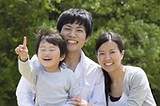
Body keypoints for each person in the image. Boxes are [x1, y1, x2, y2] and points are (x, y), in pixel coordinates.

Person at [16, 8, 105, 106]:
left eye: (79, 30)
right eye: (67, 29)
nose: (72, 35)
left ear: (87, 37)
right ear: (59, 32)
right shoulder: (39, 60)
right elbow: (24, 93)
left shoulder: (95, 72)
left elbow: (100, 104)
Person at [15, 29, 80, 105]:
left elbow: (75, 98)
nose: (47, 53)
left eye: (52, 50)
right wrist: (24, 57)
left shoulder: (68, 75)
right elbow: (25, 71)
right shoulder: (37, 73)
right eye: (43, 49)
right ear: (37, 55)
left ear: (62, 56)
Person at [95, 32, 157, 106]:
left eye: (112, 52)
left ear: (122, 54)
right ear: (97, 56)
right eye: (102, 53)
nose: (107, 58)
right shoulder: (99, 81)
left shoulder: (136, 75)